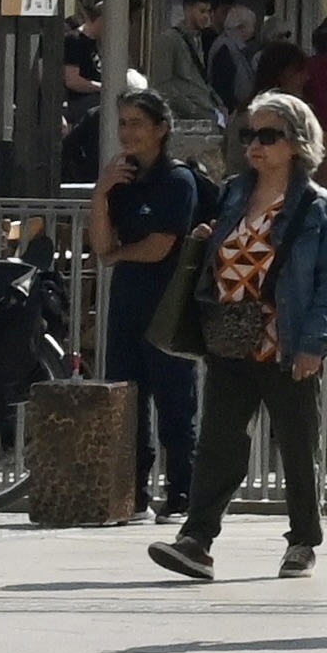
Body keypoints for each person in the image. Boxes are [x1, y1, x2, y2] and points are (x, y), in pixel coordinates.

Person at [146, 96, 327, 583]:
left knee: (297, 446)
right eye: (249, 135)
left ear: (296, 143)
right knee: (219, 442)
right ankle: (197, 539)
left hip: (286, 341)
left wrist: (315, 342)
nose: (255, 145)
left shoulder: (316, 206)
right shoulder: (234, 192)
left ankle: (303, 540)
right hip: (230, 338)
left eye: (268, 136)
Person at [92, 89, 215, 522]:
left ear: (161, 129)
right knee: (126, 398)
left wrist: (118, 255)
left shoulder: (177, 180)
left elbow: (160, 246)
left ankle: (182, 493)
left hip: (168, 304)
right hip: (127, 303)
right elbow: (101, 244)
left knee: (175, 400)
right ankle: (133, 493)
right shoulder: (122, 181)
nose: (128, 133)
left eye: (137, 123)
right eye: (123, 123)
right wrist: (101, 194)